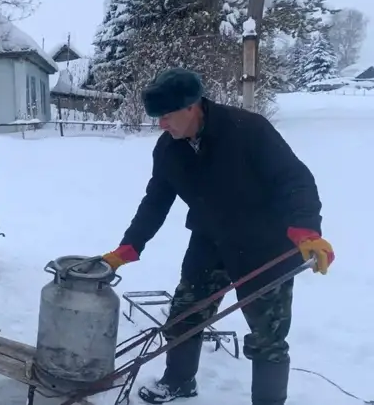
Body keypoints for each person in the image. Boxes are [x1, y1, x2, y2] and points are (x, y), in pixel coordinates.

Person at [100, 68, 335, 405]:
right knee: (184, 315)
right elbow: (155, 201)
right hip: (209, 241)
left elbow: (295, 180)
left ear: (192, 106)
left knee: (267, 337)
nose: (161, 124)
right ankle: (179, 381)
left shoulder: (248, 130)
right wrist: (128, 247)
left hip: (264, 245)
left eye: (166, 115)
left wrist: (307, 230)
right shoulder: (169, 150)